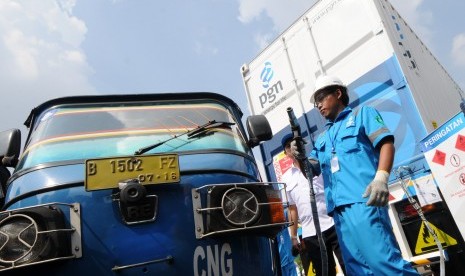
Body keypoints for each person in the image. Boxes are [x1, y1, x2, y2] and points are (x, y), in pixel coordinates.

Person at [305, 74, 419, 275]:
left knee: (383, 263)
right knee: (356, 270)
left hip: (364, 200)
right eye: (316, 103)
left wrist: (381, 178)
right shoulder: (323, 138)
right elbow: (310, 169)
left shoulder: (361, 115)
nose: (319, 105)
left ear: (338, 93)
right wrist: (299, 156)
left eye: (321, 98)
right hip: (338, 211)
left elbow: (386, 144)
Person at [281, 133, 345, 276]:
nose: (292, 147)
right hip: (311, 234)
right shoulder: (285, 178)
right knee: (324, 272)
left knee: (349, 265)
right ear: (285, 153)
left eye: (294, 143)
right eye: (287, 146)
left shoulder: (317, 164)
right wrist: (293, 237)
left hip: (334, 224)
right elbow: (292, 209)